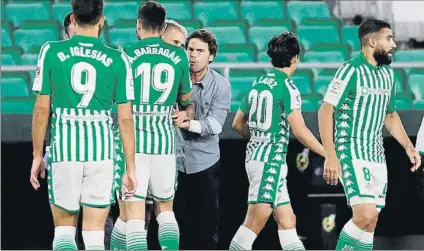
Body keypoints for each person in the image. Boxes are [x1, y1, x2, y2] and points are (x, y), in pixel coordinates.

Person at [29, 0, 137, 249]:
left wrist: (37, 156)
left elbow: (42, 109)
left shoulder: (51, 51)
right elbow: (124, 119)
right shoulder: (118, 59)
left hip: (65, 151)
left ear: (73, 20)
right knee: (95, 234)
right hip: (101, 152)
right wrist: (130, 168)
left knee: (65, 230)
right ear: (102, 20)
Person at [318, 19, 422, 250]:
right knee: (364, 215)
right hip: (350, 150)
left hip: (376, 154)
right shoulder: (349, 70)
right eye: (389, 38)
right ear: (373, 41)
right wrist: (330, 155)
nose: (394, 44)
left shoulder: (387, 74)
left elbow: (390, 115)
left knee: (371, 221)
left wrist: (408, 147)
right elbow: (325, 111)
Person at [229, 32, 326, 250]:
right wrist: (328, 153)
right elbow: (300, 132)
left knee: (287, 220)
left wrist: (257, 140)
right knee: (253, 222)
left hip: (254, 158)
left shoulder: (258, 83)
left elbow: (236, 123)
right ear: (295, 58)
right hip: (270, 162)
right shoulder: (288, 88)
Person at [109, 2, 193, 250]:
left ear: (139, 24)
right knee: (165, 210)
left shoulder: (125, 54)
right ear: (163, 27)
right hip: (164, 142)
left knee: (132, 213)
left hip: (131, 141)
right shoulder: (178, 55)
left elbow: (116, 98)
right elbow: (187, 100)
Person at [172, 29, 231, 250]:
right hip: (174, 162)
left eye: (199, 51)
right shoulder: (174, 77)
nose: (193, 55)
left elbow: (215, 125)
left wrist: (187, 123)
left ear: (211, 56)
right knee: (174, 225)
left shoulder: (221, 85)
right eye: (190, 49)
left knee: (206, 228)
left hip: (205, 165)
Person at [143, 19, 189, 233]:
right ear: (161, 37)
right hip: (153, 142)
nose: (179, 50)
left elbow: (189, 106)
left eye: (182, 45)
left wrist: (186, 113)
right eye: (176, 43)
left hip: (167, 145)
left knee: (148, 212)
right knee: (138, 213)